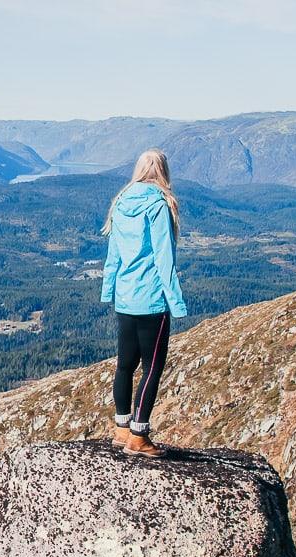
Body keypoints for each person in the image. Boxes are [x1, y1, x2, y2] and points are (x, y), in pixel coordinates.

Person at [100, 148, 187, 458]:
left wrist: (108, 290)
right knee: (152, 367)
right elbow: (165, 258)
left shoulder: (121, 203)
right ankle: (139, 435)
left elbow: (113, 254)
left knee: (125, 364)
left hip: (124, 298)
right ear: (163, 171)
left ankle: (121, 429)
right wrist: (175, 303)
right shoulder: (160, 205)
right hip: (151, 300)